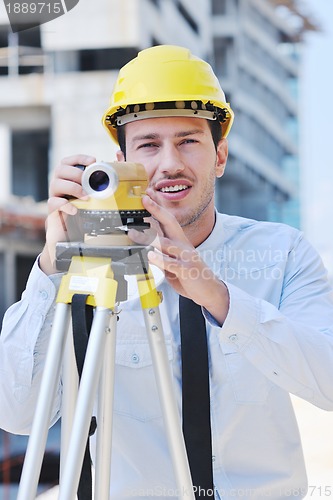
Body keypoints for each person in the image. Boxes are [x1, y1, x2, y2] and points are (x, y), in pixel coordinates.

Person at [1, 44, 333, 499]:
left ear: (220, 155)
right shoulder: (90, 264)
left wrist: (219, 297)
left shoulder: (281, 252)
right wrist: (51, 265)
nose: (169, 163)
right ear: (121, 165)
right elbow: (16, 411)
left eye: (188, 141)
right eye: (149, 145)